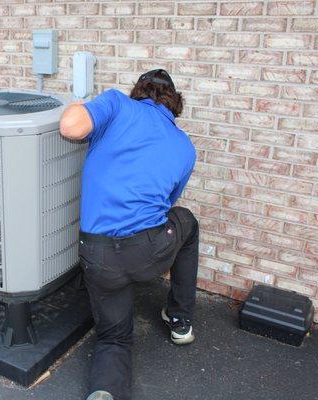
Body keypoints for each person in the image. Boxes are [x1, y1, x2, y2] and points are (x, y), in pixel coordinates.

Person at [59, 69, 199, 400]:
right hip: (151, 250)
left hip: (99, 257)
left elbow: (70, 127)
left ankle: (105, 391)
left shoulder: (117, 105)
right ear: (174, 103)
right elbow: (168, 204)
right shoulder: (184, 146)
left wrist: (78, 104)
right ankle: (180, 321)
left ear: (138, 91)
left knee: (114, 337)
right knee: (187, 222)